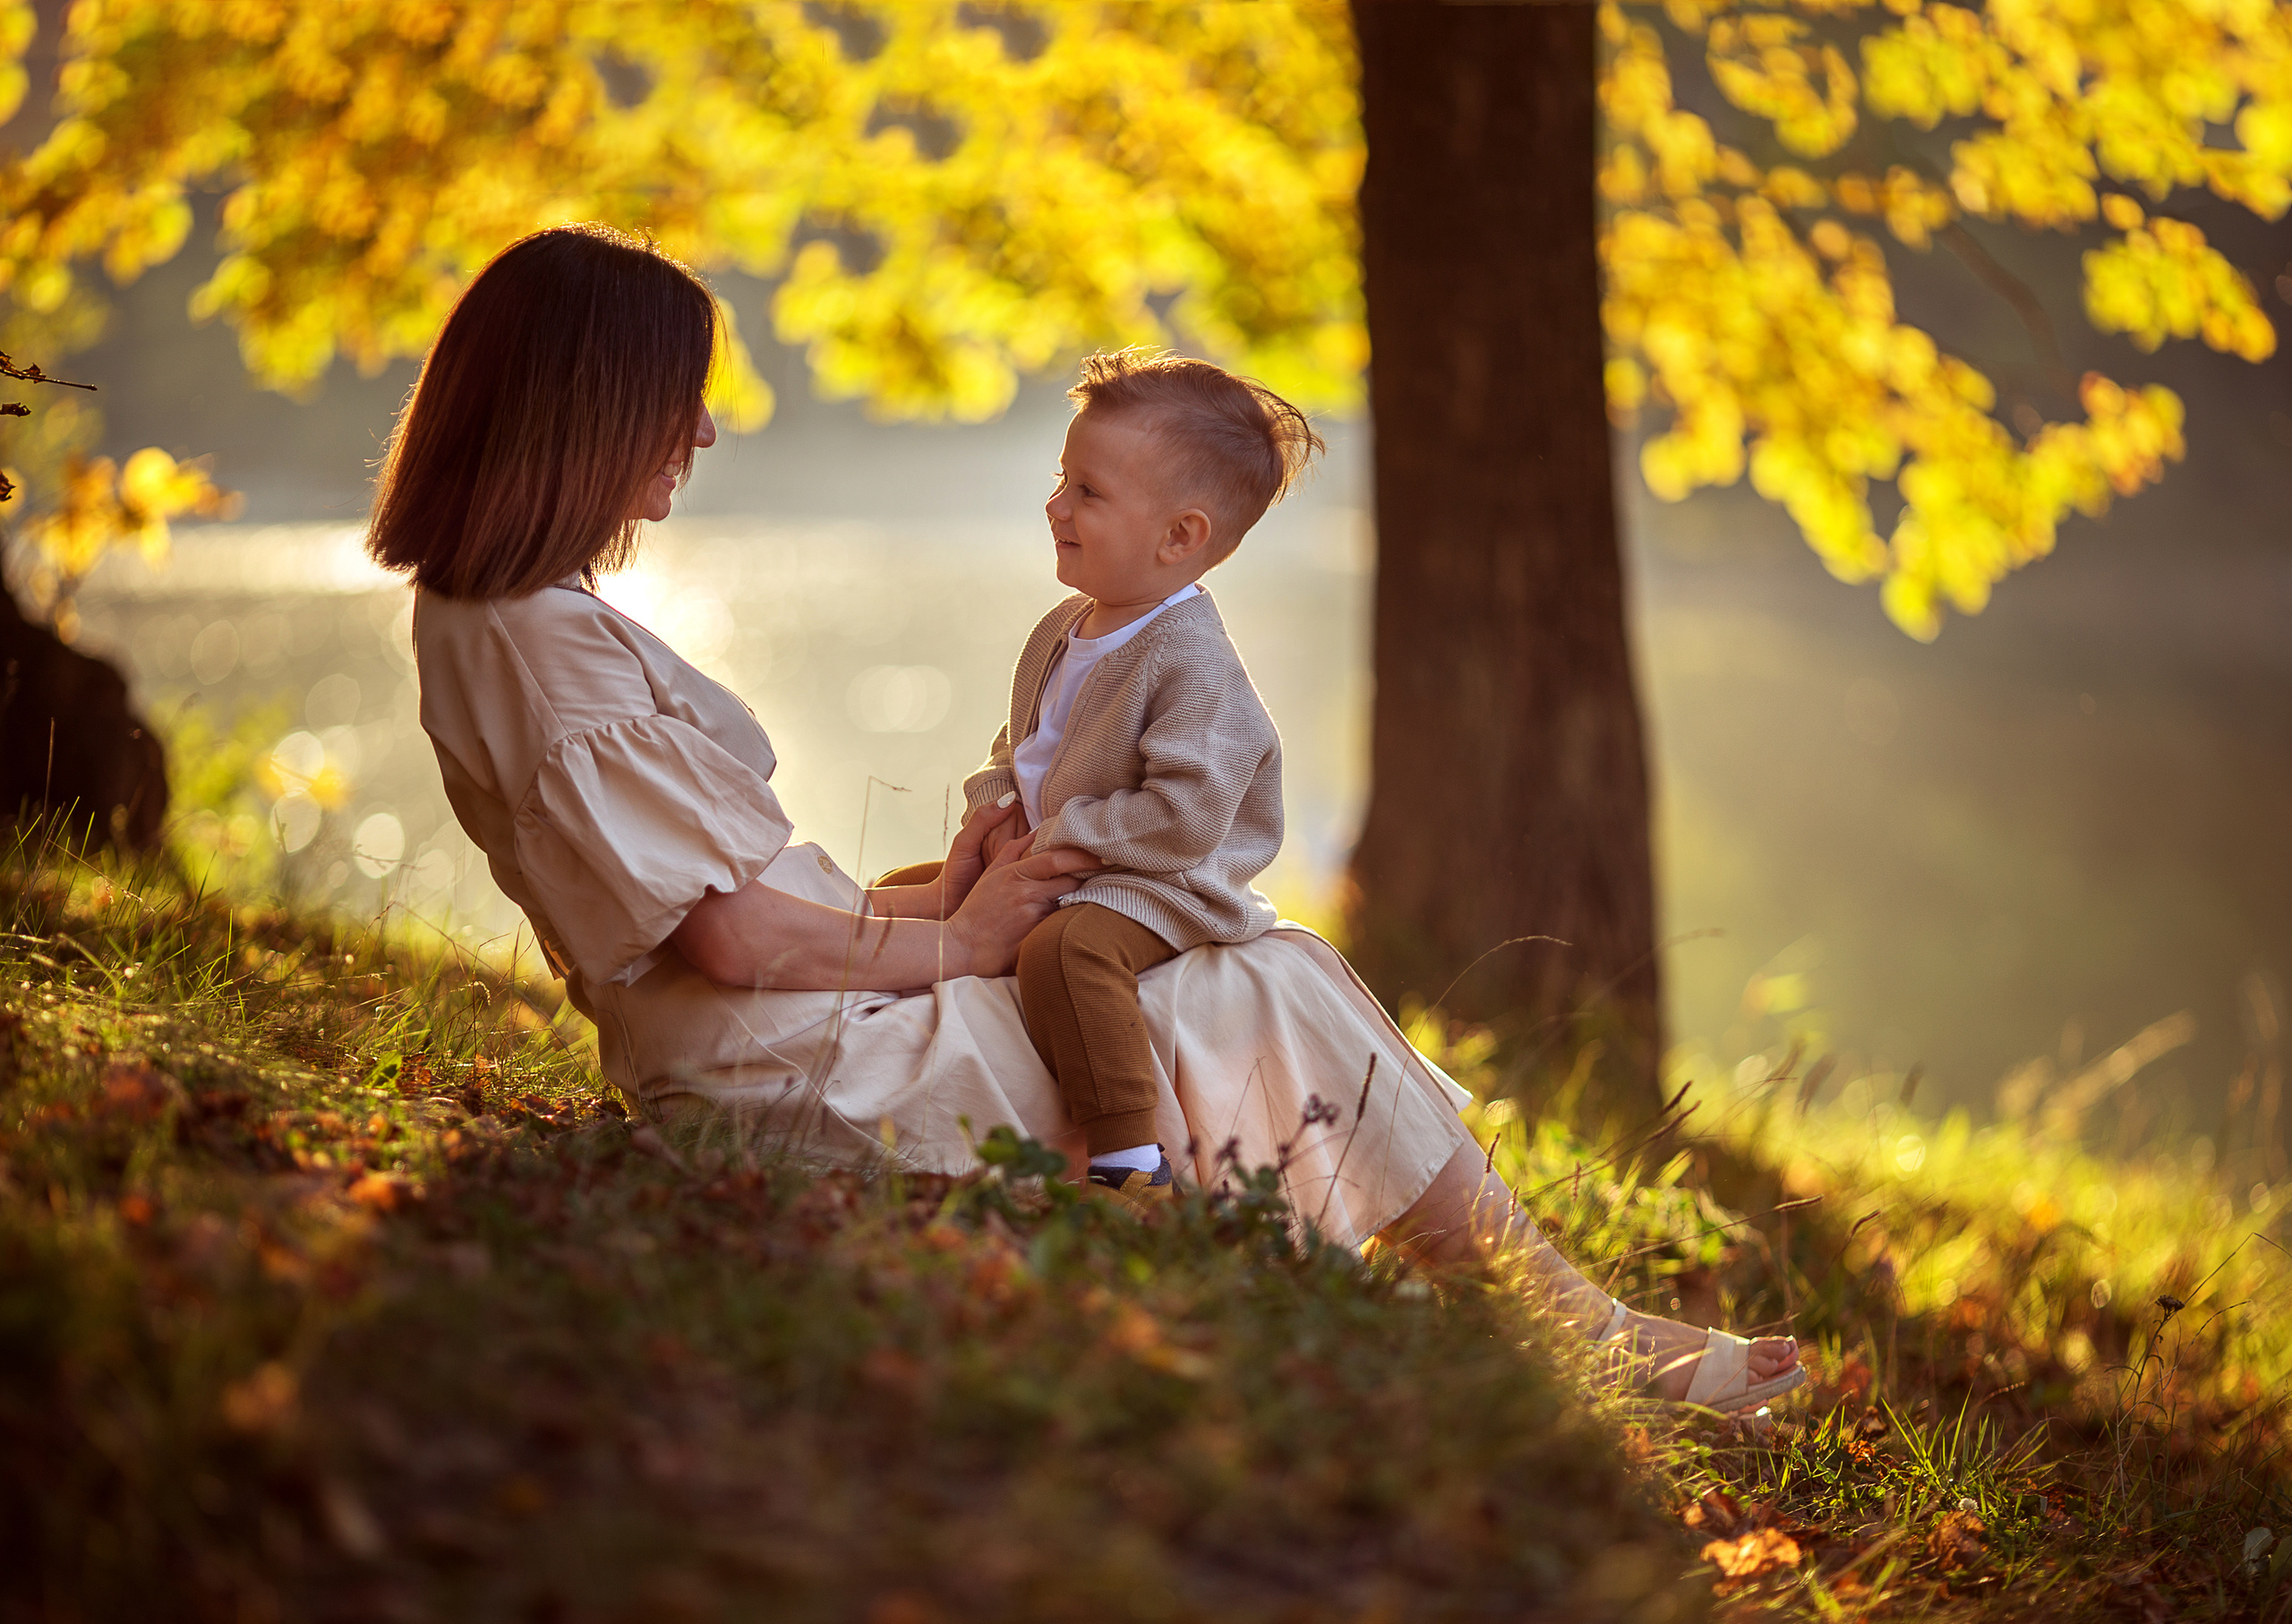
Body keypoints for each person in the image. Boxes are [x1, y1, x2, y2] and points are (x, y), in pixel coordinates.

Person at [372, 223, 1803, 1413]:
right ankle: (1581, 1334)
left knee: (1243, 968)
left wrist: (949, 898)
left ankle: (1520, 1310)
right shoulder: (542, 647)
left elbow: (711, 910)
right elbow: (734, 944)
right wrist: (970, 937)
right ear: (585, 405)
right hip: (796, 1071)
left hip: (770, 1032)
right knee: (1272, 977)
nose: (699, 428)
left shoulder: (504, 617)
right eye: (675, 397)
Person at [883, 352, 1314, 1213]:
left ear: (1179, 537)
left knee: (1066, 954)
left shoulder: (1193, 661)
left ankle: (1130, 1165)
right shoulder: (1063, 628)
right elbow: (1022, 746)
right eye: (1060, 479)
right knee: (911, 890)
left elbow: (1185, 817)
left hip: (1160, 881)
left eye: (1087, 492)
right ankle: (887, 1055)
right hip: (1061, 858)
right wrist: (995, 815)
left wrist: (1056, 838)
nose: (1055, 506)